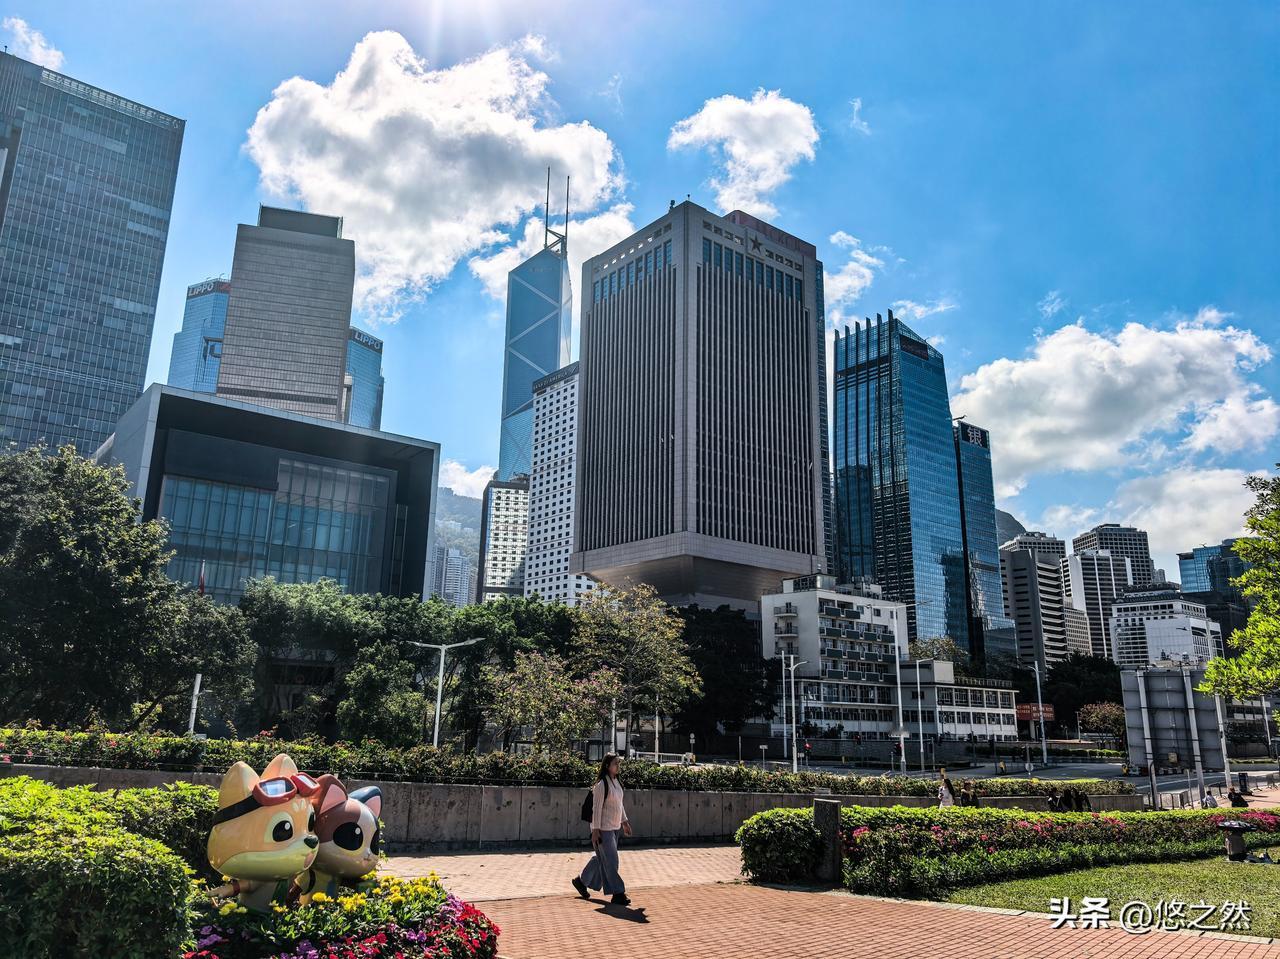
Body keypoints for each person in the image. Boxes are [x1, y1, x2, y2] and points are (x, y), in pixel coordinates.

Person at [572, 753, 633, 905]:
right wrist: (595, 830)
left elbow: (619, 805)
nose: (618, 766)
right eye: (615, 763)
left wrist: (624, 822)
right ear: (607, 766)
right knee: (612, 861)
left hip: (614, 827)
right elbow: (596, 809)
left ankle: (581, 881)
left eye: (618, 763)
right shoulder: (601, 785)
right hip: (603, 828)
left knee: (601, 858)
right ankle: (618, 893)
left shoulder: (616, 782)